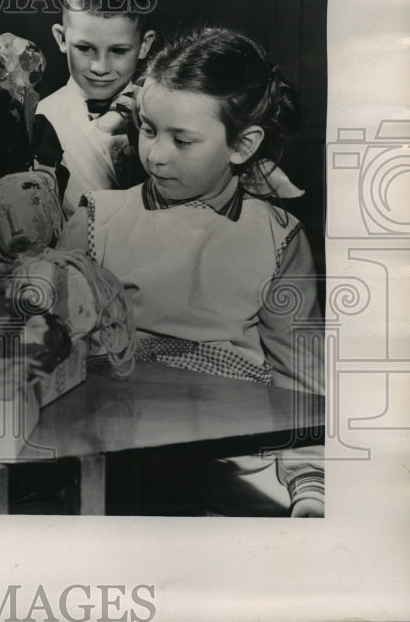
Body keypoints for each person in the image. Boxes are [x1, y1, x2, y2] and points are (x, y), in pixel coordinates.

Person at [58, 26, 324, 517]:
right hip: (117, 457)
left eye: (182, 140)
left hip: (235, 462)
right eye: (148, 128)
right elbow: (53, 353)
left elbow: (302, 384)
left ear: (242, 145)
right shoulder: (97, 218)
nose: (156, 154)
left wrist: (310, 485)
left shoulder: (279, 238)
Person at [32, 0, 157, 216]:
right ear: (61, 38)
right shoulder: (39, 119)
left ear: (144, 45)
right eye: (85, 48)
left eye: (119, 51)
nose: (100, 67)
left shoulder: (163, 114)